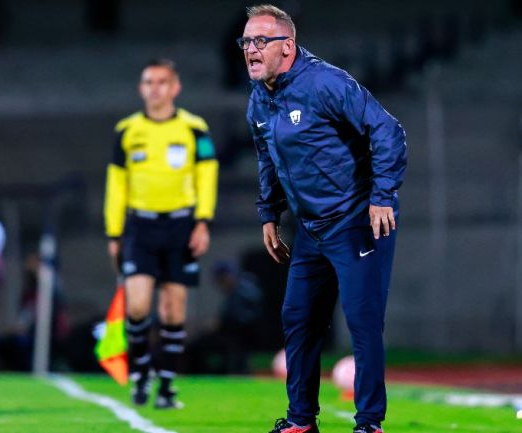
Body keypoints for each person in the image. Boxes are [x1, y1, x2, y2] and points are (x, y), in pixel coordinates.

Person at [239, 5, 407, 433]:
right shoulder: (260, 97)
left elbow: (387, 130)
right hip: (311, 228)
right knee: (297, 317)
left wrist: (382, 195)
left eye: (261, 41)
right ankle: (301, 422)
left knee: (362, 321)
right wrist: (269, 215)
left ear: (287, 47)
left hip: (356, 221)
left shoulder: (325, 83)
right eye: (246, 42)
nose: (250, 50)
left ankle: (369, 423)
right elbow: (267, 158)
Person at [104, 59, 219, 409]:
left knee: (173, 310)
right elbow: (116, 183)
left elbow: (207, 174)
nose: (155, 88)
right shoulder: (127, 130)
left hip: (181, 225)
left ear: (175, 87)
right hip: (140, 226)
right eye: (148, 82)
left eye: (161, 82)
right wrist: (114, 232)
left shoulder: (195, 128)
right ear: (141, 88)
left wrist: (203, 221)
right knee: (137, 306)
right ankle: (140, 374)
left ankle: (166, 387)